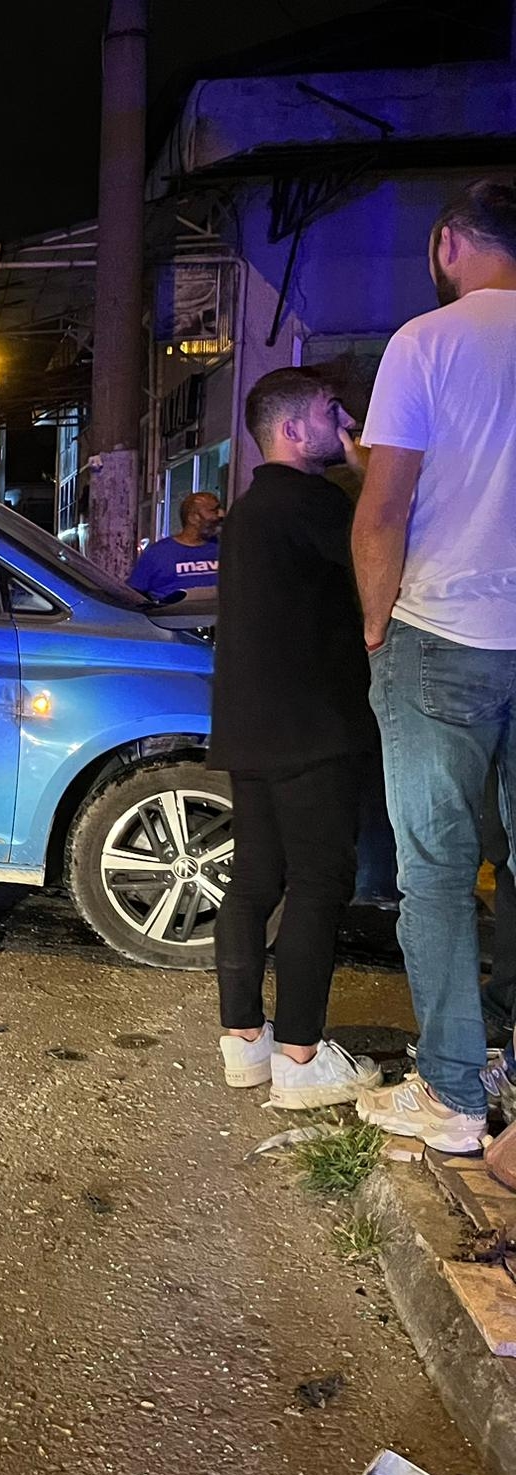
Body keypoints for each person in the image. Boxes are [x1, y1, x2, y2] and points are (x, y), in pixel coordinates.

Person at [353, 179, 516, 1153]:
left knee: (437, 873)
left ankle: (451, 1096)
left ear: (450, 242)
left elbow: (382, 507)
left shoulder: (425, 342)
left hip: (441, 632)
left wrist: (377, 624)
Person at [214, 368, 383, 1106]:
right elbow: (379, 563)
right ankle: (301, 1054)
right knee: (319, 883)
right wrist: (368, 473)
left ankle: (244, 1041)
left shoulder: (249, 509)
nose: (344, 420)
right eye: (329, 411)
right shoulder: (315, 502)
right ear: (291, 430)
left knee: (255, 881)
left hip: (250, 726)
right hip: (315, 724)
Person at [127, 489, 221, 596]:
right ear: (193, 518)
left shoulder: (224, 550)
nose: (220, 515)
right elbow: (133, 594)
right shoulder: (158, 553)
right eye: (214, 511)